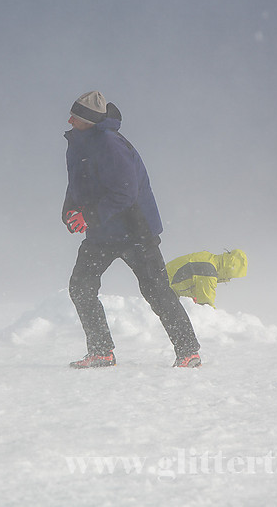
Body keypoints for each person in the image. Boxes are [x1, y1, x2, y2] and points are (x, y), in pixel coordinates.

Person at [62, 90, 202, 368]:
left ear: (89, 121)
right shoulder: (77, 144)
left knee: (156, 291)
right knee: (80, 287)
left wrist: (88, 216)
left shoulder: (111, 145)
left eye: (75, 116)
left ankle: (189, 352)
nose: (69, 120)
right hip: (102, 234)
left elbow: (125, 194)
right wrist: (69, 211)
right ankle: (102, 352)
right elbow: (76, 184)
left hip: (135, 232)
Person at [166, 249, 248, 307]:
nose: (229, 279)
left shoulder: (209, 259)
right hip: (164, 288)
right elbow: (206, 306)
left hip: (163, 282)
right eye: (231, 277)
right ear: (229, 269)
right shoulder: (208, 272)